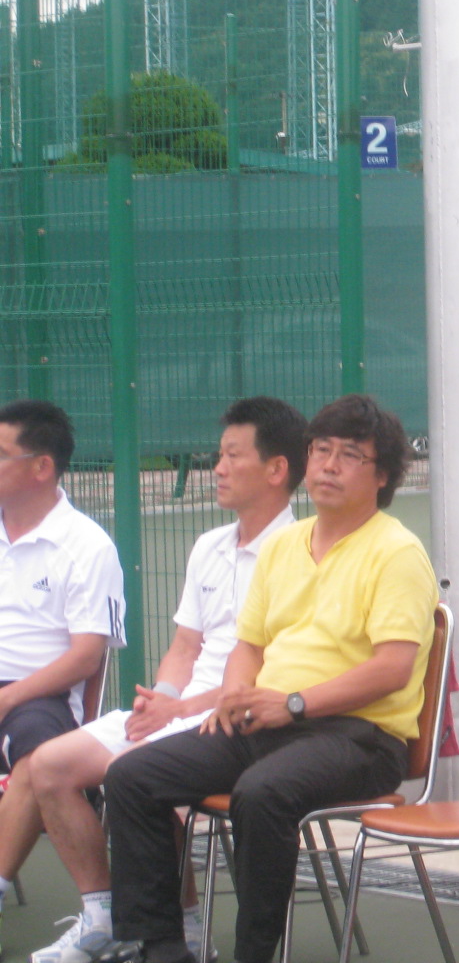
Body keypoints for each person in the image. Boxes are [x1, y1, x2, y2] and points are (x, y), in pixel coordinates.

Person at [104, 394, 437, 963]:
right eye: (321, 450)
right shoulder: (284, 544)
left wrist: (295, 703)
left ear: (382, 476)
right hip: (270, 724)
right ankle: (163, 947)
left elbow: (392, 668)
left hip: (361, 738)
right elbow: (250, 645)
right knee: (132, 776)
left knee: (262, 793)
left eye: (350, 455)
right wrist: (236, 694)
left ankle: (253, 954)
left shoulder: (397, 551)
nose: (328, 465)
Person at [20, 398, 306, 963]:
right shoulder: (208, 547)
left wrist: (181, 712)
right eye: (218, 455)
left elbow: (271, 671)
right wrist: (164, 700)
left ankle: (184, 930)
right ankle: (103, 918)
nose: (217, 468)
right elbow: (184, 646)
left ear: (276, 469)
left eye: (232, 456)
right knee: (47, 765)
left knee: (139, 775)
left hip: (243, 722)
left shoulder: (300, 554)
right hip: (184, 713)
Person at [0, 401, 126, 951]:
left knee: (36, 757)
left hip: (42, 696)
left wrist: (8, 700)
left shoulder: (87, 545)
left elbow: (85, 658)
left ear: (41, 467)